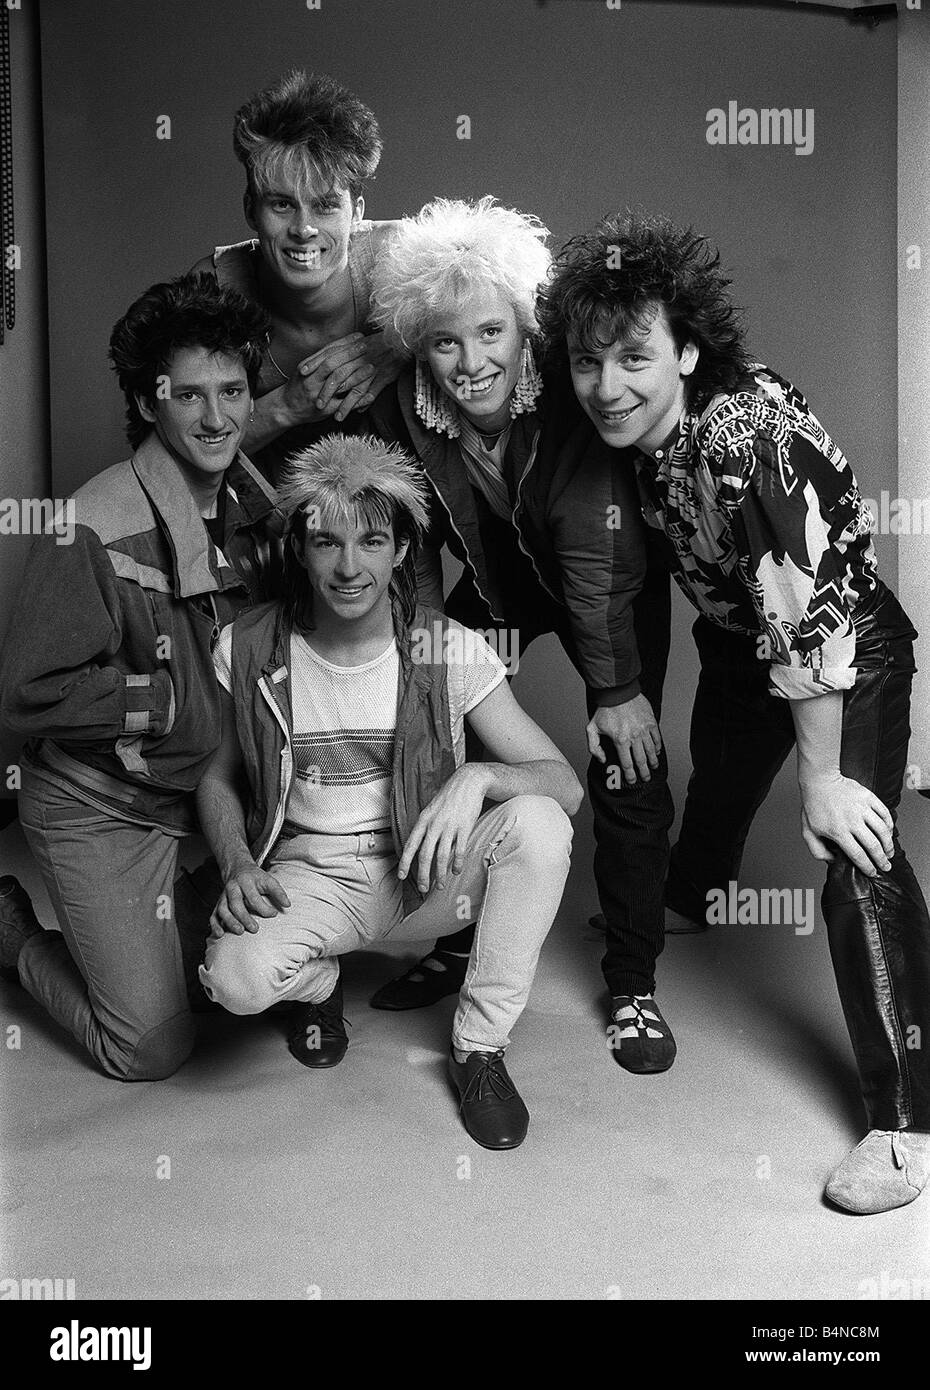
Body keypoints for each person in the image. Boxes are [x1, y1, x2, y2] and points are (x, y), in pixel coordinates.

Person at [537, 210, 930, 1214]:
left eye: (634, 357)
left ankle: (908, 1121)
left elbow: (812, 617)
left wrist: (826, 774)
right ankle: (697, 888)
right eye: (588, 361)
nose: (607, 385)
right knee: (715, 765)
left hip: (844, 649)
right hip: (745, 643)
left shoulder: (745, 438)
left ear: (687, 352)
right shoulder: (624, 426)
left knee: (856, 853)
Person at [361, 197, 677, 1075]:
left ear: (523, 328)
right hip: (503, 589)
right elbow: (415, 540)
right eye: (446, 342)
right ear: (418, 345)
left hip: (605, 587)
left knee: (628, 757)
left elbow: (592, 556)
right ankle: (462, 928)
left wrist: (615, 690)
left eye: (492, 333)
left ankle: (632, 981)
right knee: (442, 718)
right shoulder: (401, 407)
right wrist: (428, 657)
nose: (473, 363)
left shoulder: (564, 397)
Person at [195, 433, 581, 1149]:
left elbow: (564, 785)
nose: (349, 567)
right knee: (234, 981)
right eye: (326, 544)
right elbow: (217, 778)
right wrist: (236, 863)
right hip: (308, 880)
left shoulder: (449, 647)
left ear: (402, 550)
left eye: (372, 541)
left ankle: (481, 1048)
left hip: (424, 877)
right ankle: (318, 984)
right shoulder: (247, 647)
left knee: (539, 822)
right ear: (299, 551)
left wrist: (479, 776)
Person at [0, 274, 283, 1080]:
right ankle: (13, 935)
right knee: (152, 1048)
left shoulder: (255, 501)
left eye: (232, 391)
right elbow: (27, 692)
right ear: (149, 401)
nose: (217, 417)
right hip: (102, 806)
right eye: (188, 396)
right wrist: (167, 701)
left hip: (207, 795)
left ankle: (169, 930)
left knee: (236, 978)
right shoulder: (90, 522)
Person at [191, 69, 405, 482]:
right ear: (251, 209)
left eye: (325, 205)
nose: (304, 228)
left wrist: (399, 343)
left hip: (398, 527)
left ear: (356, 212)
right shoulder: (215, 290)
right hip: (267, 528)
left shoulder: (403, 256)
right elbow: (183, 447)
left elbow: (509, 315)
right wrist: (286, 405)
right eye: (282, 204)